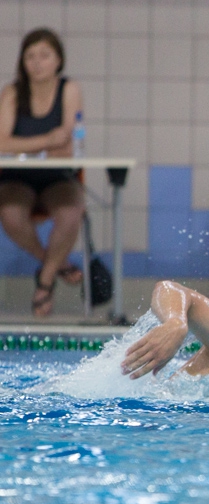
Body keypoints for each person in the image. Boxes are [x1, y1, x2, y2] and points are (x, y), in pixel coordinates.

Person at [0, 28, 84, 317]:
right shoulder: (12, 92)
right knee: (10, 214)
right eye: (30, 56)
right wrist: (47, 140)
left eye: (45, 55)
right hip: (16, 177)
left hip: (56, 176)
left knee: (71, 212)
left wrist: (27, 145)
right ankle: (57, 263)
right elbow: (2, 141)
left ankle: (45, 282)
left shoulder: (69, 89)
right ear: (22, 61)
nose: (37, 63)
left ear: (58, 60)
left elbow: (67, 143)